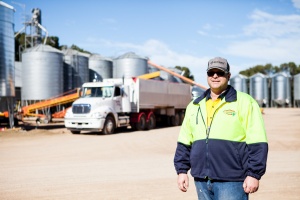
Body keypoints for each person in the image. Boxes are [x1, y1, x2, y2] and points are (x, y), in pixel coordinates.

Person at [174, 57, 268, 200]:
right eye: (211, 72)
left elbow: (258, 141)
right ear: (207, 76)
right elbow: (185, 141)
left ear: (228, 76)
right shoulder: (194, 105)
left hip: (232, 180)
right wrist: (182, 171)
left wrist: (254, 174)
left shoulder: (245, 102)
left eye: (220, 72)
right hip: (201, 180)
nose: (215, 76)